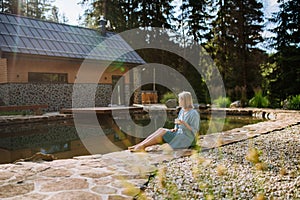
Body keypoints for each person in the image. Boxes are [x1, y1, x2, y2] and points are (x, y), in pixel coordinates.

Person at [128, 91, 200, 152]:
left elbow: (195, 130)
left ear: (185, 101)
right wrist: (175, 128)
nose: (179, 101)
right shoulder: (182, 110)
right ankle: (140, 145)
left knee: (163, 132)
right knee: (161, 129)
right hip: (179, 133)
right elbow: (178, 122)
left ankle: (142, 146)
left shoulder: (193, 113)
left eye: (180, 99)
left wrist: (184, 123)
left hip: (188, 138)